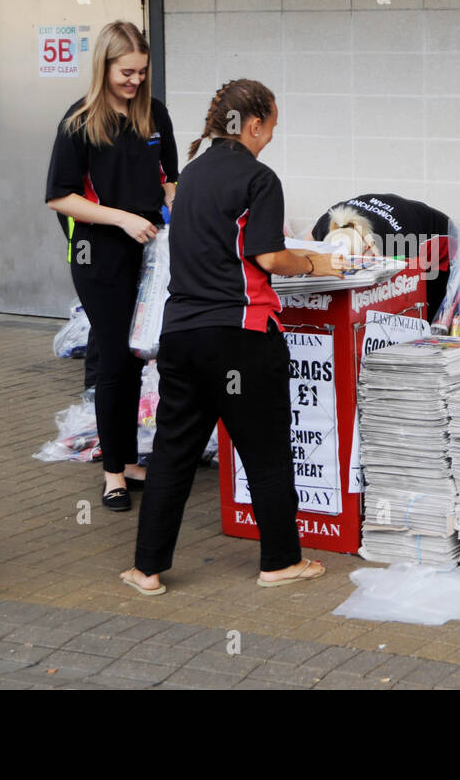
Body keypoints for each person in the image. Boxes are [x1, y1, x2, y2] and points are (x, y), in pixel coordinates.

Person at [119, 79, 341, 594]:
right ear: (255, 124)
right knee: (264, 450)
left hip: (180, 336)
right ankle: (280, 562)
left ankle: (146, 568)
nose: (271, 139)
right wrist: (314, 261)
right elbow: (267, 256)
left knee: (173, 454)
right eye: (271, 129)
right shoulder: (258, 177)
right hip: (240, 336)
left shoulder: (190, 176)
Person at [45, 21, 178, 512]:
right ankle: (113, 473)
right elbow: (60, 197)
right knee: (117, 361)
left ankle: (130, 457)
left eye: (142, 72)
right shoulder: (80, 120)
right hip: (99, 256)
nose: (135, 81)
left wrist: (174, 209)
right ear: (104, 66)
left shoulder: (154, 115)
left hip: (150, 253)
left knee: (144, 356)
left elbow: (169, 180)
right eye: (126, 72)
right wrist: (122, 219)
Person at [309, 192, 453, 319]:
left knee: (427, 314)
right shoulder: (327, 224)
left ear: (367, 249)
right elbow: (302, 251)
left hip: (441, 239)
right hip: (393, 219)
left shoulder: (399, 245)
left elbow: (402, 298)